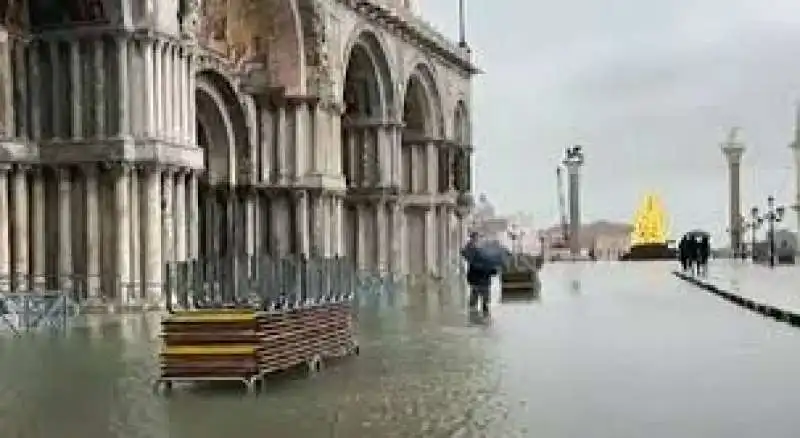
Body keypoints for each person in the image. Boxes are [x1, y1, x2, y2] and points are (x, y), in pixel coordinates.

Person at [461, 232, 498, 315]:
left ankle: (477, 318)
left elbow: (464, 254)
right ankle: (480, 317)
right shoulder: (474, 250)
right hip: (480, 280)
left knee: (479, 302)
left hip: (479, 280)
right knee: (479, 302)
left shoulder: (475, 252)